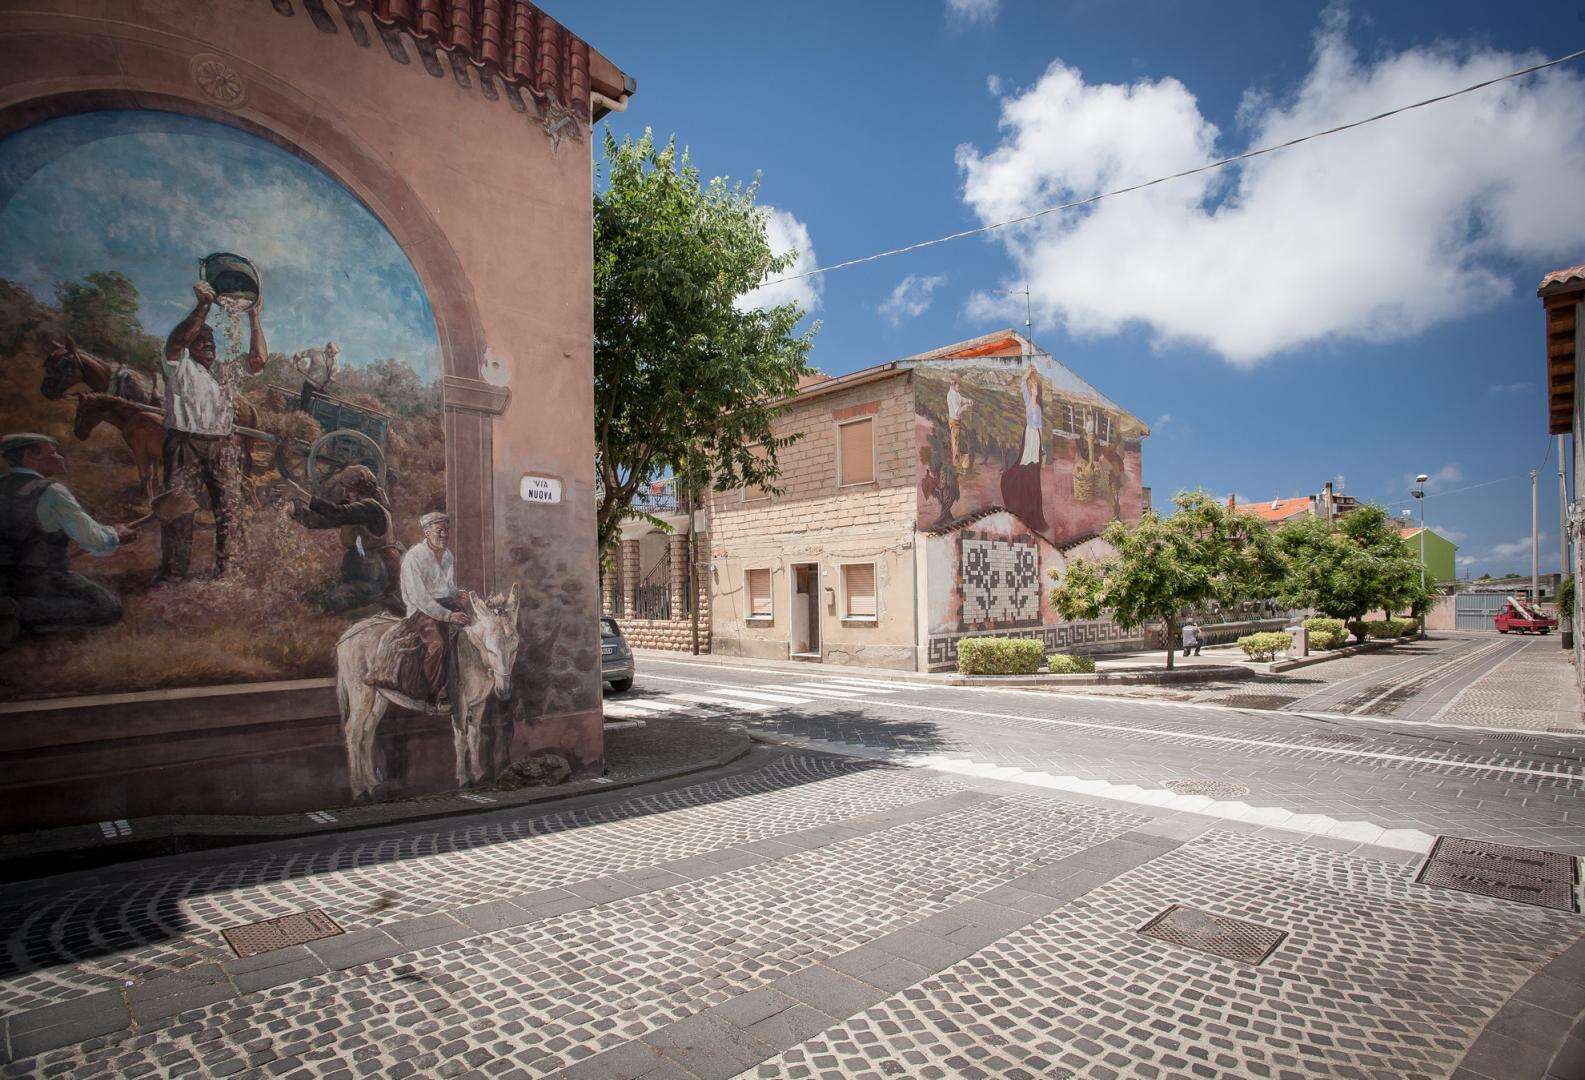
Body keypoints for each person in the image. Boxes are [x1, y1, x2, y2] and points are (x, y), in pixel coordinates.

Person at [157, 278, 267, 582]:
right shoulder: (178, 365)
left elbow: (258, 360)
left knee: (230, 509)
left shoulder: (223, 371)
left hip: (223, 445)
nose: (209, 343)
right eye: (201, 339)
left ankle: (229, 571)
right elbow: (176, 341)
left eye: (212, 340)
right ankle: (173, 574)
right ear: (190, 345)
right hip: (185, 445)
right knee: (178, 511)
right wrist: (204, 305)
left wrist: (254, 316)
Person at [0, 433, 137, 641]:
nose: (60, 457)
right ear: (29, 456)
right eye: (53, 453)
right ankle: (19, 612)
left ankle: (12, 607)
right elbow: (95, 541)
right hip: (40, 580)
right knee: (107, 608)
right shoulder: (52, 492)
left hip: (4, 580)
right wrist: (116, 535)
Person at [370, 511, 474, 709]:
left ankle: (465, 686)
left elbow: (446, 587)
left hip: (445, 605)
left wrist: (457, 593)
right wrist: (449, 616)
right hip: (421, 612)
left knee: (472, 634)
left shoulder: (447, 555)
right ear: (427, 532)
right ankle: (436, 694)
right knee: (437, 646)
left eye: (446, 530)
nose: (444, 534)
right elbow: (420, 597)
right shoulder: (414, 557)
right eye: (439, 530)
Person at [287, 466, 403, 614]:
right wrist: (295, 511)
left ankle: (379, 602)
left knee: (327, 603)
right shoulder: (356, 510)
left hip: (374, 577)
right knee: (309, 598)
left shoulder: (371, 508)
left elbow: (337, 512)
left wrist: (301, 494)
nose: (345, 494)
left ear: (360, 489)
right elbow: (321, 521)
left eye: (349, 489)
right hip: (358, 572)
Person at [946, 373, 972, 472]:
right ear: (953, 384)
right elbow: (957, 411)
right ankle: (957, 466)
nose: (959, 386)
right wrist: (964, 408)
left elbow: (961, 399)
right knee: (956, 444)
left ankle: (962, 465)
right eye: (958, 384)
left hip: (957, 421)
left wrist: (967, 401)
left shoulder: (956, 393)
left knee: (960, 442)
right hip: (954, 422)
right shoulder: (951, 395)